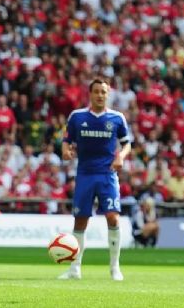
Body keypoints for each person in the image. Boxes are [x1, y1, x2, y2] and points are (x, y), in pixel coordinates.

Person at [58, 78, 132, 281]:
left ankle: (115, 268)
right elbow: (66, 140)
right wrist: (65, 151)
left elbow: (127, 144)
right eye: (97, 91)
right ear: (90, 94)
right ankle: (75, 269)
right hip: (84, 174)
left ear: (108, 95)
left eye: (103, 92)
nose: (100, 95)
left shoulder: (117, 118)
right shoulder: (77, 117)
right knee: (80, 220)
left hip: (107, 174)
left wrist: (121, 156)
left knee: (113, 217)